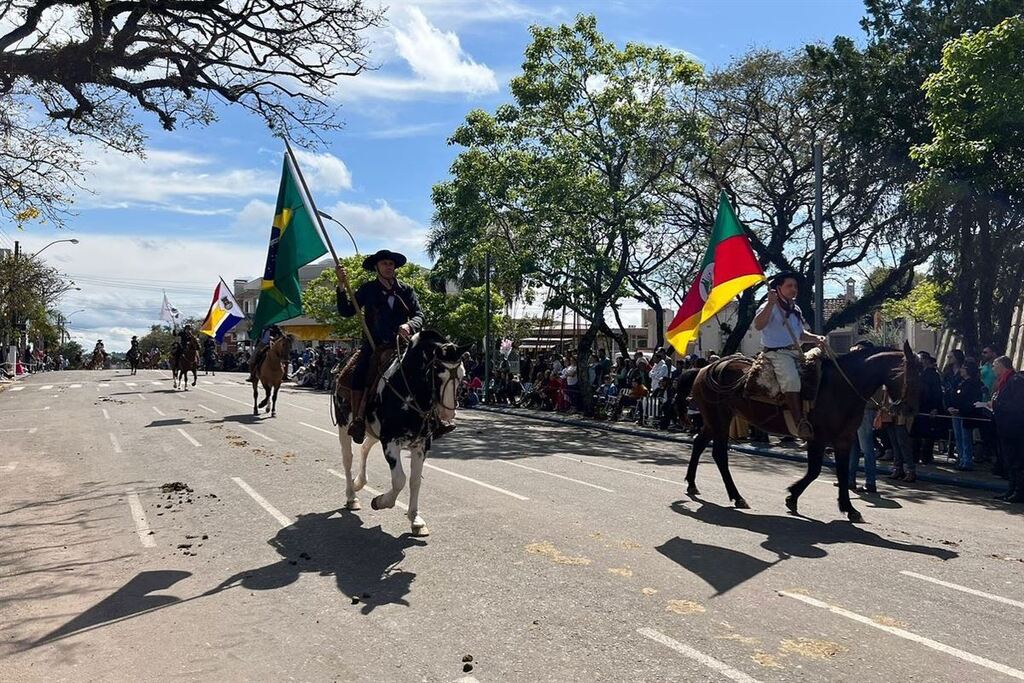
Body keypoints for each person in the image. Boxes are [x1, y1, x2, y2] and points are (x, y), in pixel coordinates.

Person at [335, 249, 425, 444]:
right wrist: (341, 285)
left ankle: (432, 417)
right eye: (384, 263)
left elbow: (419, 315)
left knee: (426, 370)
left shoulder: (406, 290)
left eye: (391, 264)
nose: (388, 267)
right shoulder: (368, 289)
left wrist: (409, 325)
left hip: (401, 345)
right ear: (377, 267)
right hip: (374, 345)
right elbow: (346, 311)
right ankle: (358, 419)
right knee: (359, 372)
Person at [752, 272, 827, 439]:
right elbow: (758, 325)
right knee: (792, 379)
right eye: (789, 286)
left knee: (820, 371)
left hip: (796, 352)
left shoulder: (795, 309)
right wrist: (770, 304)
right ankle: (800, 423)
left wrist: (816, 338)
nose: (794, 289)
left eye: (795, 286)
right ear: (778, 288)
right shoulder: (768, 306)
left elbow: (800, 334)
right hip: (776, 353)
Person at [990, 356, 1024, 502]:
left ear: (1002, 366)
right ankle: (1011, 489)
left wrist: (996, 404)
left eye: (994, 365)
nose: (993, 368)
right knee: (1009, 461)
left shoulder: (1015, 381)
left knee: (1017, 461)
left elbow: (1017, 405)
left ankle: (1019, 491)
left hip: (1015, 428)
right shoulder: (1004, 381)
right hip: (1005, 427)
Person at [848, 341, 880, 493]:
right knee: (853, 445)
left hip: (865, 410)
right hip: (855, 409)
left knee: (866, 447)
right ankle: (849, 479)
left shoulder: (869, 368)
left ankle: (870, 482)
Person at [948, 360, 984, 471]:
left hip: (966, 414)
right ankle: (961, 458)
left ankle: (967, 461)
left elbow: (972, 400)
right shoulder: (959, 382)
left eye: (964, 368)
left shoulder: (974, 384)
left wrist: (961, 409)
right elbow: (952, 394)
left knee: (966, 438)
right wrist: (950, 407)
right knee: (958, 437)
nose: (961, 370)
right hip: (956, 413)